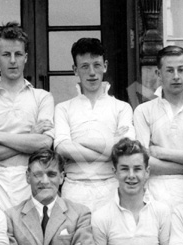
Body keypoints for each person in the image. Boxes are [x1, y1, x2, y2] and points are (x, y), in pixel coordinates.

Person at [0, 22, 55, 211]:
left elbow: (44, 145)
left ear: (25, 58)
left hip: (32, 181)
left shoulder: (42, 97)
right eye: (6, 54)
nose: (12, 60)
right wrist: (28, 138)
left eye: (18, 54)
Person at [54, 37, 135, 212]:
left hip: (111, 186)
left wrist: (80, 141)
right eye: (85, 66)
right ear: (75, 70)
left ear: (105, 66)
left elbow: (125, 150)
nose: (92, 72)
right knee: (77, 239)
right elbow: (61, 148)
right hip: (74, 188)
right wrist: (111, 141)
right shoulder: (63, 108)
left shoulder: (121, 107)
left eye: (97, 65)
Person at [133, 45, 183, 208]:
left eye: (181, 70)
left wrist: (161, 152)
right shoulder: (143, 110)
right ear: (158, 74)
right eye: (169, 70)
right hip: (155, 196)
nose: (176, 76)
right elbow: (142, 161)